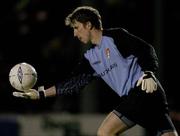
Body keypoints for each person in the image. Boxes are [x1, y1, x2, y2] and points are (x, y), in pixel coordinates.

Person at [12, 6, 178, 136]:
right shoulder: (91, 58)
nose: (75, 34)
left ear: (88, 25)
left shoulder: (116, 37)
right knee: (167, 133)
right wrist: (41, 94)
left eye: (76, 27)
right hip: (146, 96)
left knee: (105, 132)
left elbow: (146, 49)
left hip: (144, 89)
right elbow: (73, 83)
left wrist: (149, 72)